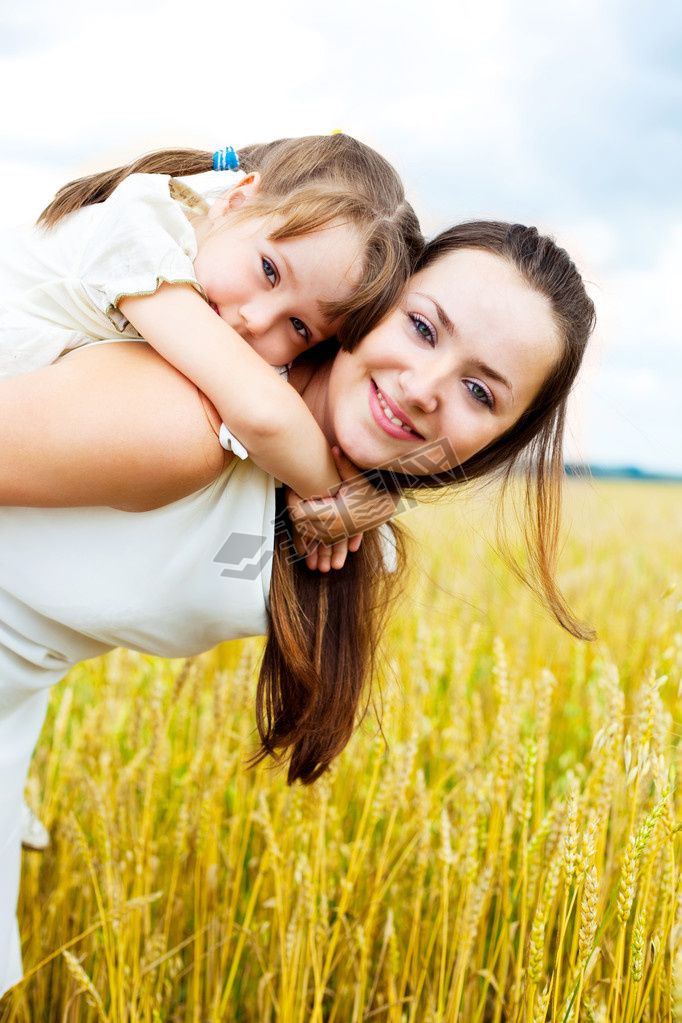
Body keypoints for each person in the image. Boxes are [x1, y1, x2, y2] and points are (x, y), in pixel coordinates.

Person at [0, 219, 596, 996]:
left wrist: (328, 483)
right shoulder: (191, 419)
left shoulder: (347, 545)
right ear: (368, 299)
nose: (423, 387)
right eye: (421, 326)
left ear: (497, 443)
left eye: (479, 391)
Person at [0, 134, 422, 538]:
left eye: (299, 327)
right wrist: (334, 494)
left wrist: (369, 502)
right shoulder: (143, 227)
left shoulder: (230, 295)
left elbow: (276, 417)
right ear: (235, 200)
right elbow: (266, 415)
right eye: (269, 271)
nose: (256, 320)